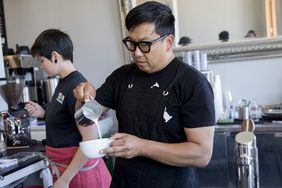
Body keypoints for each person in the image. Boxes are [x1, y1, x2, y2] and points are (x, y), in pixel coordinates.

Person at [74, 1, 215, 187]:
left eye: (145, 44)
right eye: (131, 43)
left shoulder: (192, 83)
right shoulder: (122, 76)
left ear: (168, 42)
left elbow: (201, 155)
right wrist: (82, 98)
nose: (137, 53)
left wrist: (141, 147)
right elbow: (84, 118)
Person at [25, 29, 111, 188]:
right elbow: (66, 118)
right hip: (66, 169)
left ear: (55, 56)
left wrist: (64, 180)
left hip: (78, 173)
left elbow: (89, 140)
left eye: (42, 60)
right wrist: (44, 113)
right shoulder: (63, 82)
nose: (41, 66)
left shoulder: (77, 87)